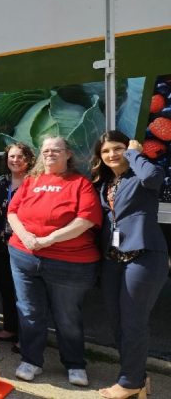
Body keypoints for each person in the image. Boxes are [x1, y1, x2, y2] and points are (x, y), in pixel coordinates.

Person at [7, 136, 101, 386]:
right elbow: (12, 211)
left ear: (68, 154)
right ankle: (31, 360)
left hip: (69, 262)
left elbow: (86, 220)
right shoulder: (31, 181)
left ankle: (75, 363)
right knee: (29, 311)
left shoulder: (80, 184)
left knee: (67, 315)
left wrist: (48, 239)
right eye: (45, 150)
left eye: (55, 150)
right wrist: (26, 237)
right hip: (24, 256)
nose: (49, 154)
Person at [91, 131, 168, 399]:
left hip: (143, 256)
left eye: (118, 148)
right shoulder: (105, 183)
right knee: (117, 322)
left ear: (128, 148)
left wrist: (135, 152)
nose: (112, 154)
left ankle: (129, 381)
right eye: (106, 151)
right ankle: (138, 377)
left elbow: (153, 177)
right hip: (113, 260)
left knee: (134, 321)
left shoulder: (141, 176)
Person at [0, 143, 35, 345]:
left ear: (28, 159)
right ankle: (10, 328)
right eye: (11, 156)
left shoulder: (35, 183)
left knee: (25, 293)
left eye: (20, 156)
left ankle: (25, 337)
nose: (15, 160)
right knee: (6, 289)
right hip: (1, 246)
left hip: (26, 246)